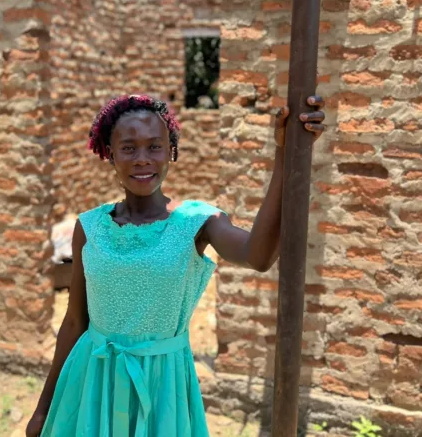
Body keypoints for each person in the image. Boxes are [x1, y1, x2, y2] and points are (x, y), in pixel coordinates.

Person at [27, 94, 325, 437]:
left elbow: (258, 255)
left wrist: (284, 155)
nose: (142, 159)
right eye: (128, 148)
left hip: (162, 385)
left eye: (154, 146)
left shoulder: (196, 223)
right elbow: (75, 321)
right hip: (93, 380)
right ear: (109, 153)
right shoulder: (89, 227)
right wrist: (44, 406)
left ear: (171, 151)